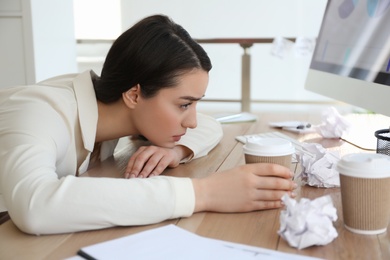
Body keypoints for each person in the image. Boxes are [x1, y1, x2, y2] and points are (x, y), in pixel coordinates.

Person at [0, 15, 296, 235]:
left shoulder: (115, 110)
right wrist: (204, 193)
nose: (191, 120)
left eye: (193, 103)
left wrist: (177, 150)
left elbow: (208, 125)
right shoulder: (39, 111)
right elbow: (33, 207)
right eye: (184, 104)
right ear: (134, 94)